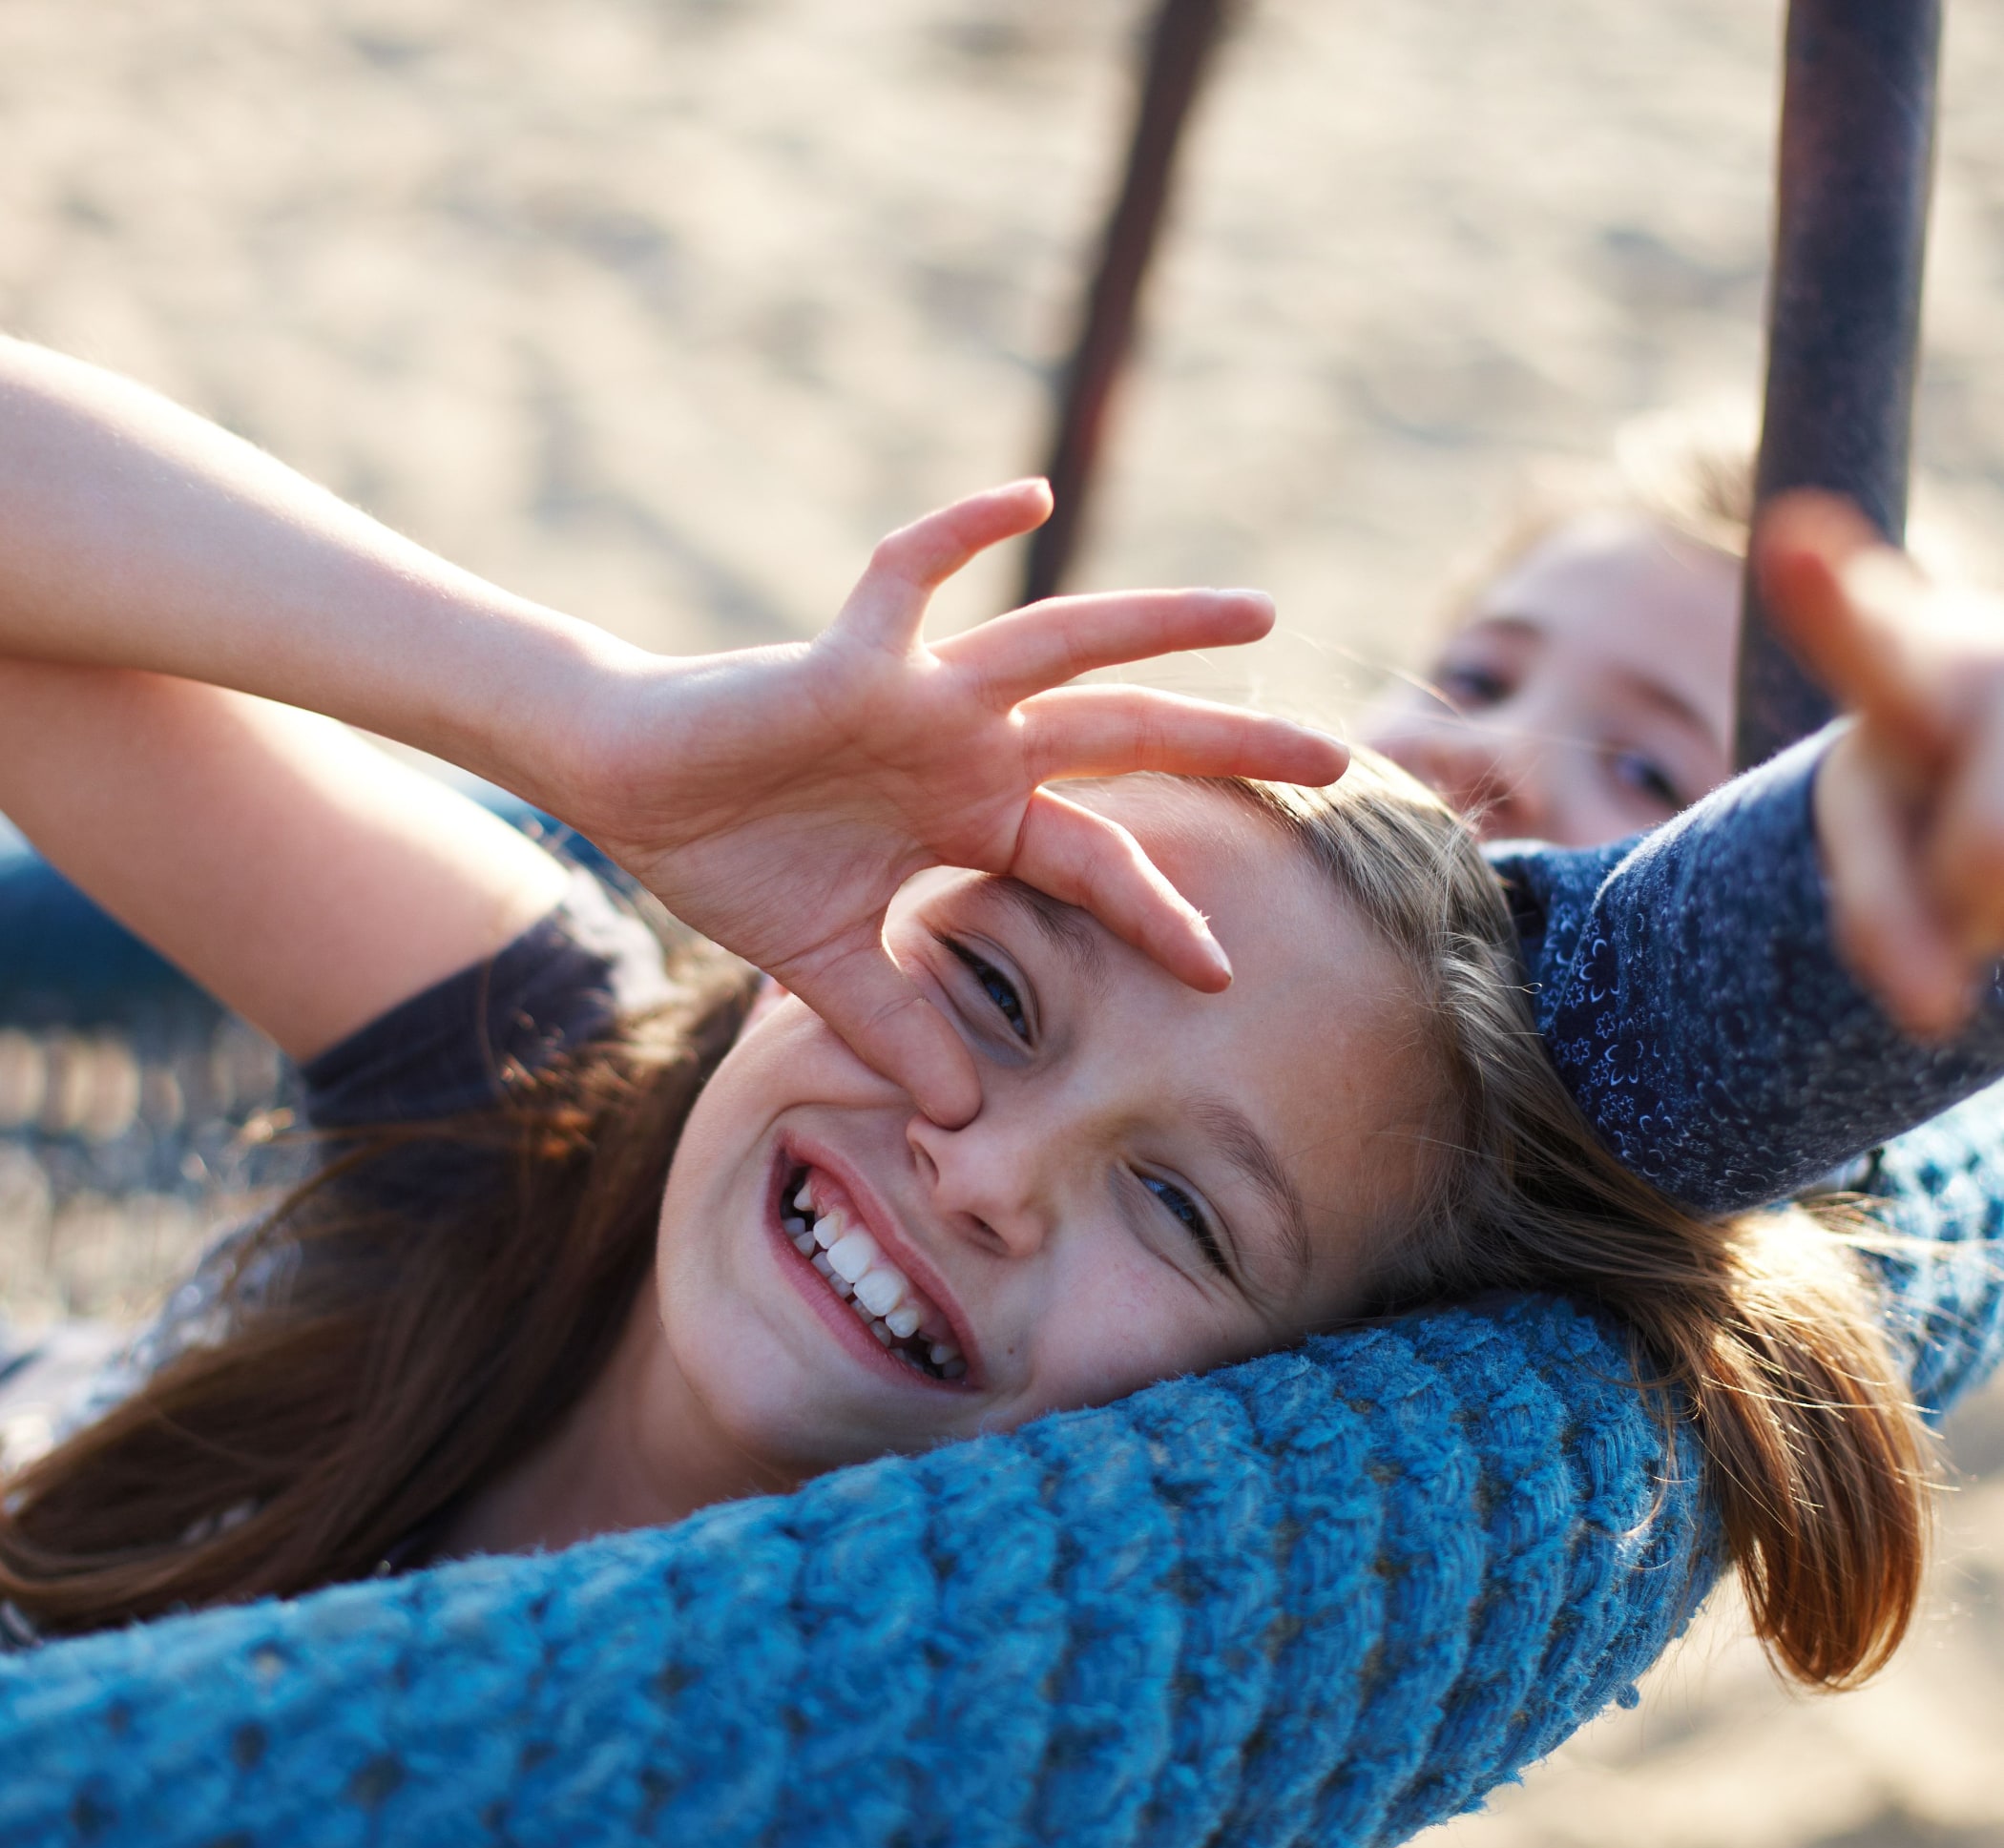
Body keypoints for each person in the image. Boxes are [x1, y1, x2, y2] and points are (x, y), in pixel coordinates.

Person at [0, 345, 1997, 1700]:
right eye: (990, 990)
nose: (989, 1173)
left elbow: (1702, 1071)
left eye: (1188, 1217)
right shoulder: (548, 1085)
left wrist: (1852, 875)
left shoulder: (1069, 1680)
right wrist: (586, 719)